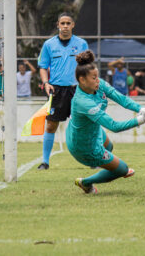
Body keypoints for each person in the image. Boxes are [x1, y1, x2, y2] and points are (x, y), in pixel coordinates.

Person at [67, 50, 145, 194]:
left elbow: (122, 99)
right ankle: (86, 182)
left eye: (97, 76)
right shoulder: (82, 102)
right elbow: (114, 126)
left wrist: (141, 109)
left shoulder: (98, 85)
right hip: (83, 145)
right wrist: (142, 119)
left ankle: (106, 164)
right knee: (123, 170)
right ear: (82, 80)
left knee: (109, 146)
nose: (98, 80)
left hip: (91, 131)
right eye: (94, 78)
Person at [37, 12, 88, 170]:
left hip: (76, 90)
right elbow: (43, 67)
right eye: (62, 23)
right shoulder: (49, 44)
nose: (65, 26)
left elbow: (86, 67)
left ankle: (93, 159)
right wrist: (46, 83)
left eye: (68, 23)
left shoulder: (81, 44)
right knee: (51, 125)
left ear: (73, 25)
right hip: (57, 90)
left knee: (84, 125)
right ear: (58, 25)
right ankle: (45, 161)